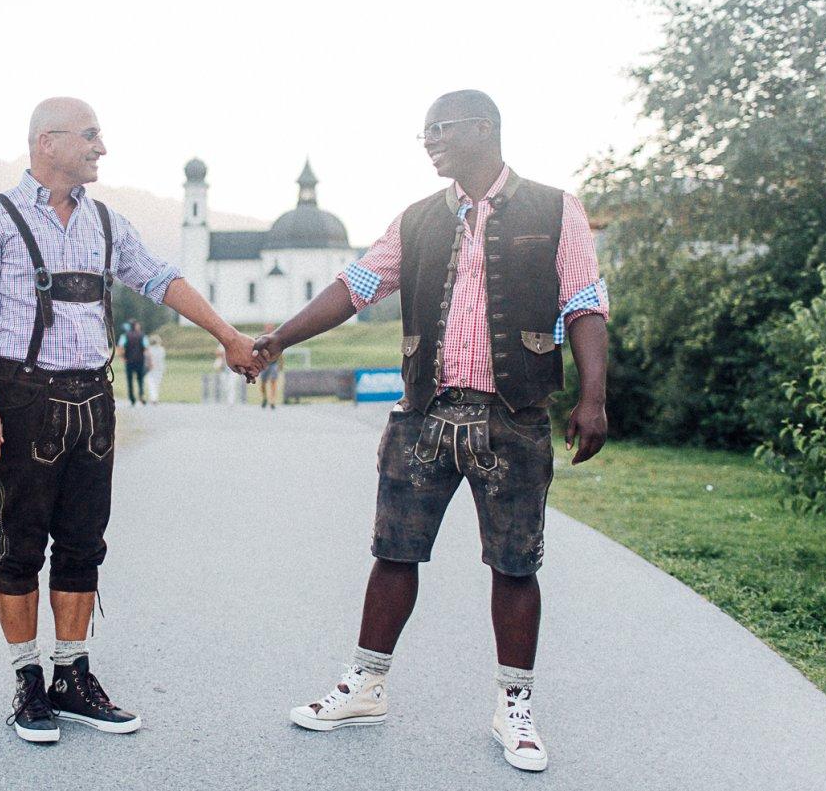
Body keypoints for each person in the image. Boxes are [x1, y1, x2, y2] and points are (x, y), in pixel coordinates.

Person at [254, 90, 608, 773]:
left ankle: (515, 705)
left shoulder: (555, 208)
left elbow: (585, 302)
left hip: (514, 414)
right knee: (394, 550)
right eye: (424, 132)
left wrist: (594, 396)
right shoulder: (416, 219)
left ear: (485, 128)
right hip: (424, 413)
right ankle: (366, 683)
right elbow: (353, 288)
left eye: (441, 128)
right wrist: (276, 339)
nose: (429, 141)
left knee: (515, 561)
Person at [0, 97, 261, 744]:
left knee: (84, 541)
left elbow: (159, 279)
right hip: (22, 395)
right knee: (20, 542)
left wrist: (229, 335)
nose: (101, 148)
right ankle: (27, 681)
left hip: (93, 399)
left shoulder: (107, 223)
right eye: (90, 136)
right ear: (47, 143)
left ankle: (72, 673)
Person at [118, 320, 148, 405]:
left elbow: (120, 347)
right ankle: (141, 395)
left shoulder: (125, 336)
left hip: (129, 361)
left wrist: (122, 357)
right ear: (135, 326)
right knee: (140, 380)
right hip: (140, 360)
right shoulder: (142, 335)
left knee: (130, 380)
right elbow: (146, 347)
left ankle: (132, 398)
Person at [258, 323, 280, 409]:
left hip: (274, 363)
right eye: (268, 327)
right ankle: (264, 398)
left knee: (273, 381)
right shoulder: (261, 337)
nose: (270, 329)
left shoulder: (276, 337)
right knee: (263, 383)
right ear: (265, 328)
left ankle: (272, 400)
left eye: (271, 327)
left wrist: (281, 364)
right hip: (264, 364)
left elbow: (280, 350)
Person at [144, 334, 166, 404]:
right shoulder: (162, 349)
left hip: (151, 368)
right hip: (160, 368)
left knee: (151, 383)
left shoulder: (149, 349)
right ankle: (155, 398)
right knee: (157, 384)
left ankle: (153, 398)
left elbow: (147, 358)